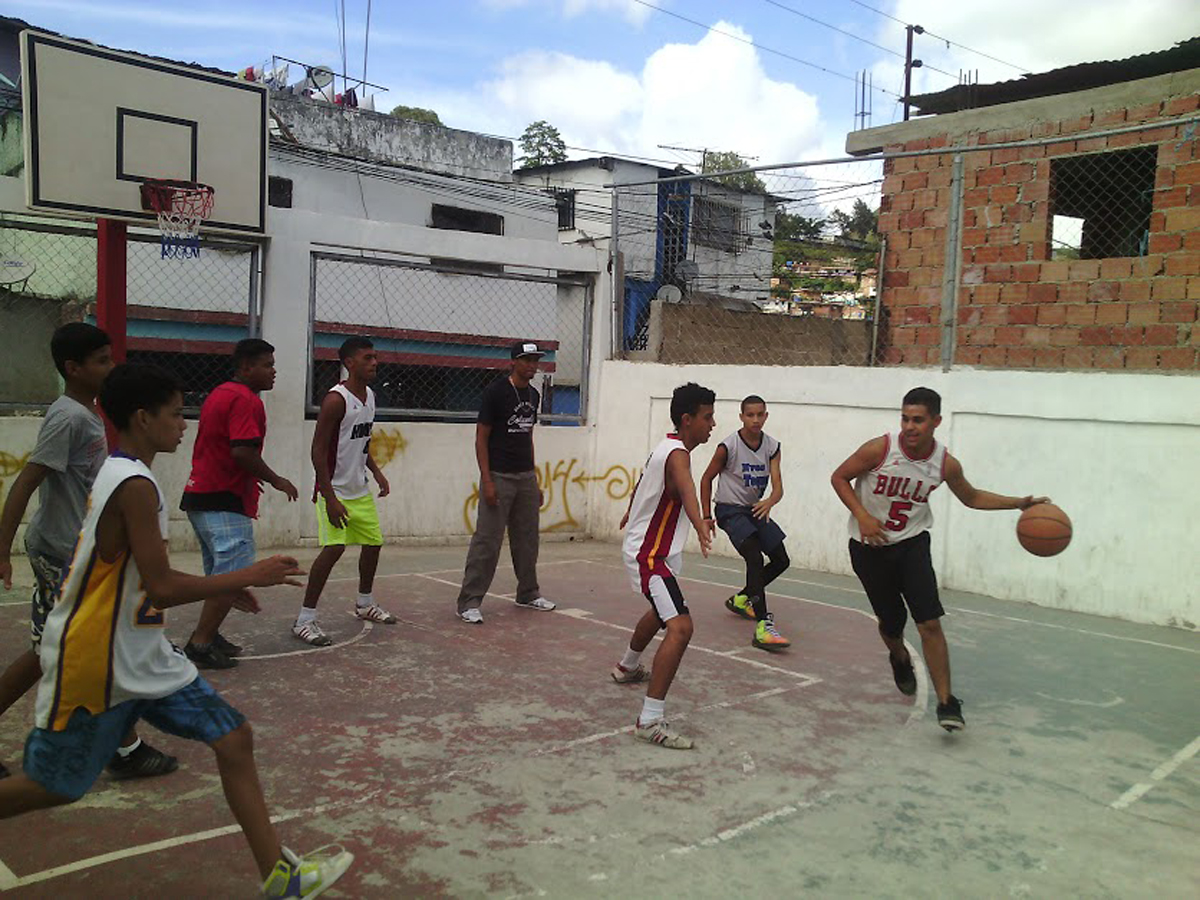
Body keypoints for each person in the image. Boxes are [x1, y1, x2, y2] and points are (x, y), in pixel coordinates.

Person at [0, 363, 354, 897]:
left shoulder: (126, 474)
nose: (184, 424)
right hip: (98, 660)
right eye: (174, 413)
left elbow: (143, 576)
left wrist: (218, 587)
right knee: (54, 786)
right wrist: (244, 575)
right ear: (142, 418)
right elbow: (161, 586)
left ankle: (281, 877)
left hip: (143, 655)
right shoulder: (134, 485)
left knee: (234, 738)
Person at [0, 323, 175, 781]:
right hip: (59, 550)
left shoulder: (88, 413)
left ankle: (122, 746)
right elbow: (28, 480)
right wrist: (2, 548)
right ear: (72, 369)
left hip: (75, 549)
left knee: (54, 651)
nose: (110, 366)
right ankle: (124, 748)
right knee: (79, 649)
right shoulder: (68, 417)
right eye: (101, 360)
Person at [830, 386, 1048, 732]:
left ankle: (947, 702)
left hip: (912, 545)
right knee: (891, 624)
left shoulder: (944, 464)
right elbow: (839, 477)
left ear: (936, 422)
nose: (909, 427)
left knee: (929, 622)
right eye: (905, 419)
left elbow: (972, 497)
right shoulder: (880, 449)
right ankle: (900, 658)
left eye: (918, 420)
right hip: (868, 547)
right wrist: (862, 514)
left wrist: (1019, 503)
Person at [180, 338, 299, 669]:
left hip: (201, 495)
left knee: (220, 575)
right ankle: (200, 643)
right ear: (246, 367)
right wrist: (277, 479)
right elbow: (242, 451)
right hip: (223, 496)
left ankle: (210, 634)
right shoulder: (246, 400)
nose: (274, 371)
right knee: (232, 575)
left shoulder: (221, 393)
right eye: (267, 365)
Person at [612, 382, 715, 750]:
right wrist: (701, 521)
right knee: (681, 627)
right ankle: (650, 720)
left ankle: (626, 667)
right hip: (649, 556)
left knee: (660, 612)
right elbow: (687, 489)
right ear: (687, 420)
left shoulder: (666, 446)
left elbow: (646, 482)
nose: (713, 424)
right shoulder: (679, 456)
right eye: (707, 417)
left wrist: (632, 509)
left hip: (653, 551)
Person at [296, 337, 395, 646]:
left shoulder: (370, 397)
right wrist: (330, 497)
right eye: (367, 358)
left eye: (375, 357)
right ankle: (304, 619)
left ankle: (365, 604)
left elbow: (361, 442)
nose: (374, 362)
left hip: (358, 489)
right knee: (334, 549)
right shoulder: (336, 400)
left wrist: (377, 473)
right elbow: (318, 450)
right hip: (334, 489)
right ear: (349, 363)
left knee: (373, 543)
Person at [454, 341, 556, 624]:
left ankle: (528, 593)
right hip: (499, 476)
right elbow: (481, 438)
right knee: (487, 541)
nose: (532, 366)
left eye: (535, 360)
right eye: (527, 360)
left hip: (524, 477)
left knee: (527, 540)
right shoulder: (496, 393)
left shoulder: (533, 395)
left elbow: (528, 438)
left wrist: (534, 480)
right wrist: (487, 480)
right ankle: (469, 602)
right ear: (513, 362)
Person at [699, 394, 791, 651]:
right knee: (754, 557)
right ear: (741, 417)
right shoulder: (728, 446)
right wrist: (707, 517)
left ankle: (742, 598)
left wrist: (770, 501)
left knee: (782, 560)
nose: (755, 419)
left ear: (766, 416)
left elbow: (778, 486)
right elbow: (706, 479)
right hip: (729, 510)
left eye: (760, 414)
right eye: (750, 415)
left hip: (755, 509)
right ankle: (763, 626)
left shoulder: (772, 446)